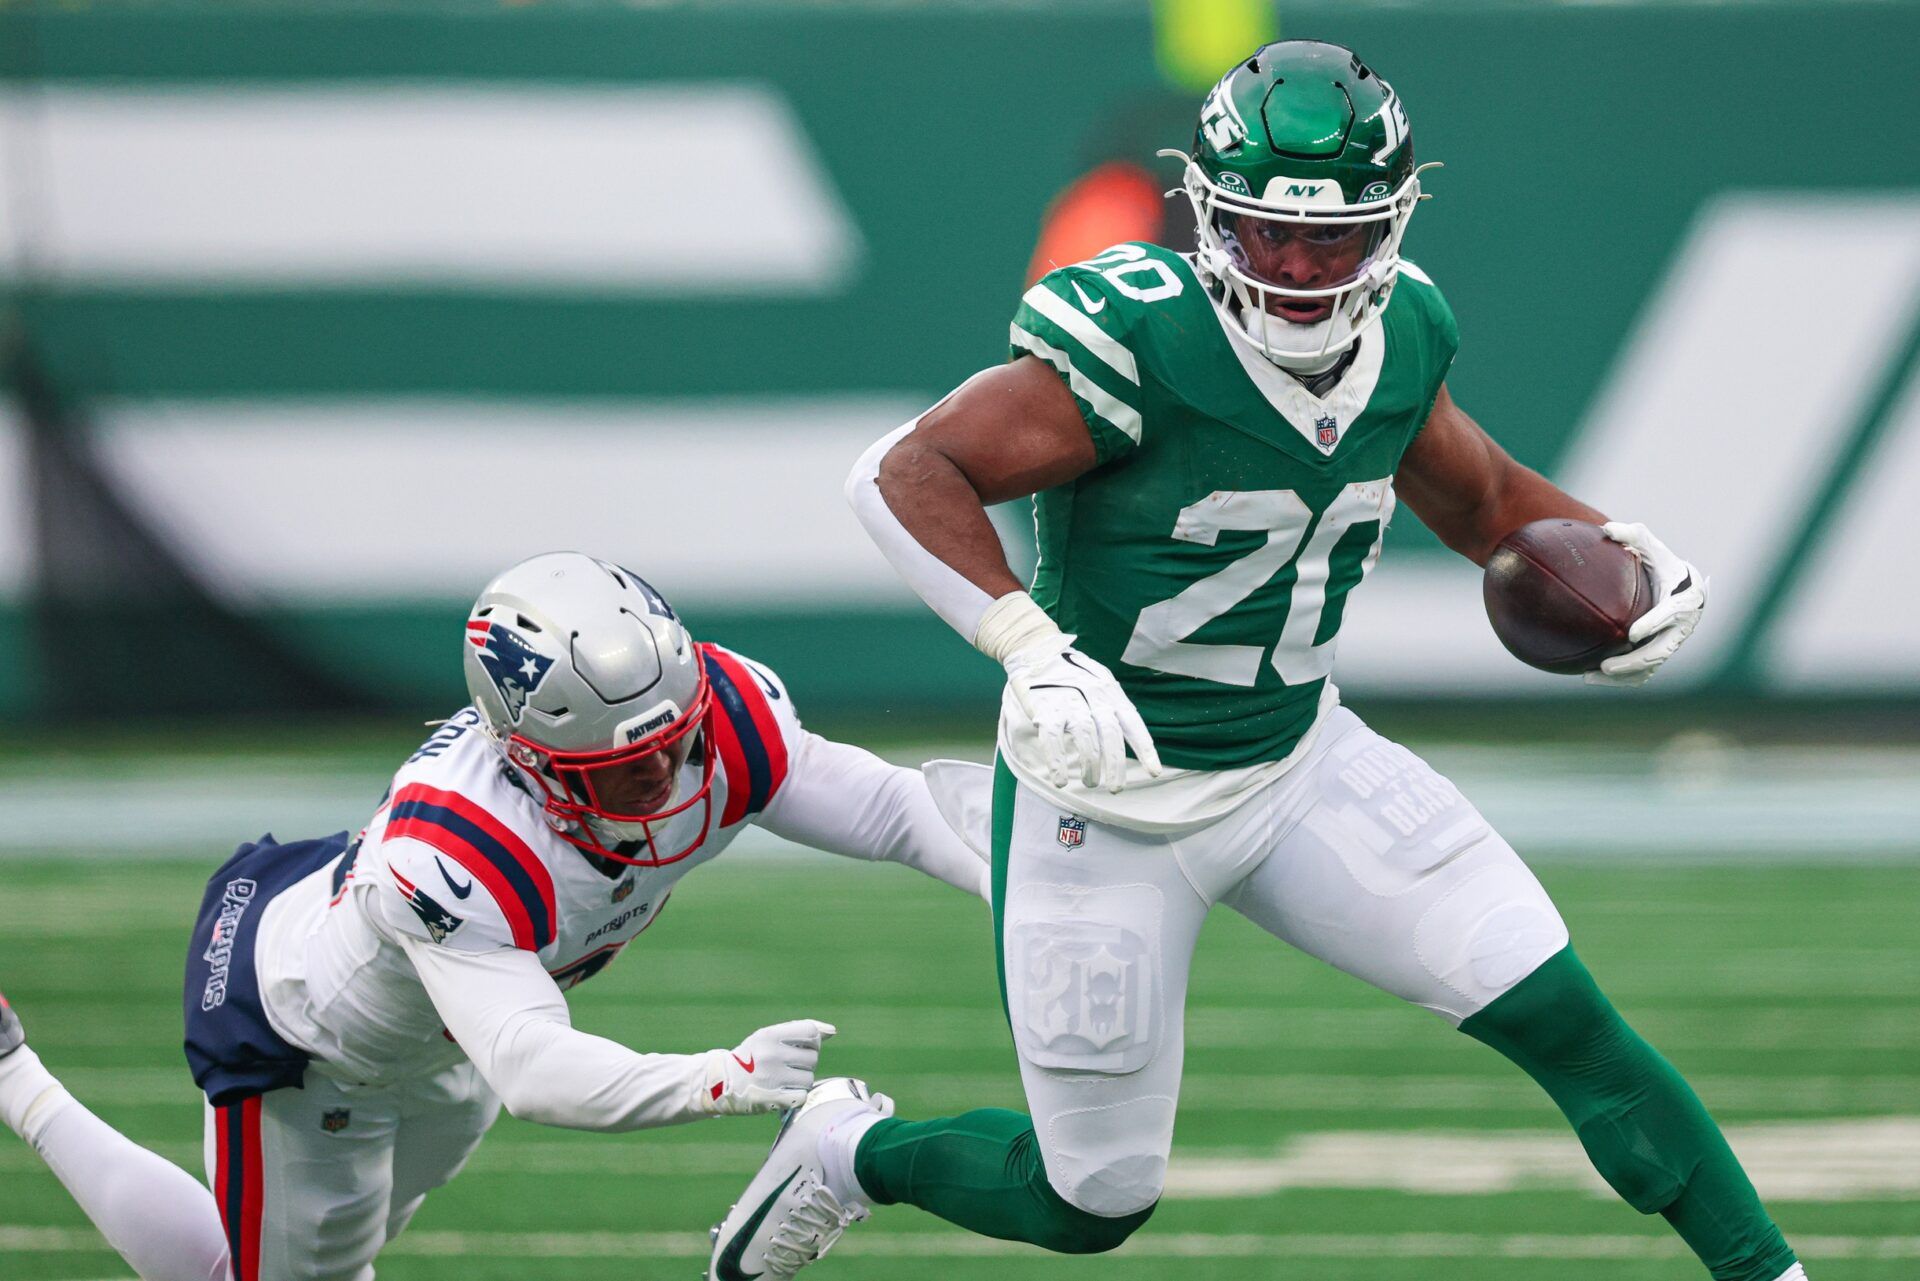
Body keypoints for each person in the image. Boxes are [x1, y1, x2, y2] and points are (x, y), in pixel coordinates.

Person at [710, 40, 1803, 1281]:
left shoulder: (1406, 334)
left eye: (1329, 241)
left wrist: (1622, 560)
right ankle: (849, 1153)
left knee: (1570, 1023)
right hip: (1102, 799)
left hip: (1296, 764)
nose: (1291, 268)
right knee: (1092, 1201)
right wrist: (1026, 643)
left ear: (1390, 225)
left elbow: (1482, 495)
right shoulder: (1141, 336)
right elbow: (903, 472)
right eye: (1258, 232)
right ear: (1206, 212)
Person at [0, 550, 988, 1281]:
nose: (665, 777)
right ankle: (16, 1077)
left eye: (676, 744)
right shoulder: (455, 852)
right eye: (620, 768)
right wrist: (715, 1081)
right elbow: (530, 1065)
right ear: (533, 758)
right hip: (312, 1041)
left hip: (445, 1040)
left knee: (279, 1259)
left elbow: (895, 809)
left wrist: (1026, 887)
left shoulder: (720, 715)